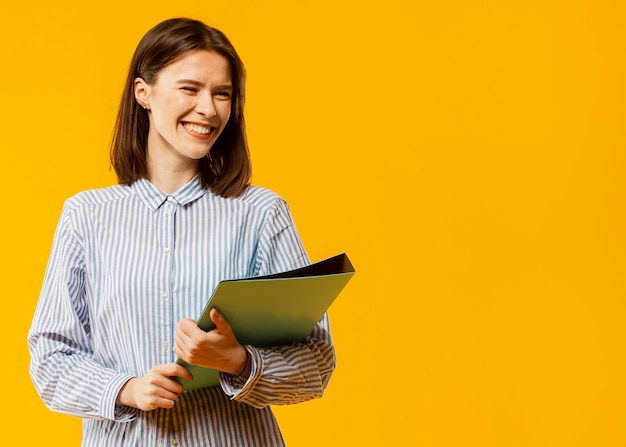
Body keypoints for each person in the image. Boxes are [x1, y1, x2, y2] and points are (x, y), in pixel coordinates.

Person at [28, 17, 335, 447]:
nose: (209, 109)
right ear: (144, 93)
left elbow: (316, 364)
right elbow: (50, 359)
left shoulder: (261, 214)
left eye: (222, 94)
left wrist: (238, 361)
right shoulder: (86, 216)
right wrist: (126, 389)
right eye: (190, 89)